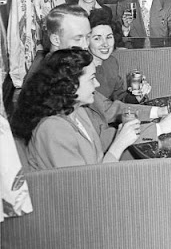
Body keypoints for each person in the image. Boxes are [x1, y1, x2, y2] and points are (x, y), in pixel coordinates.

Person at [25, 4, 171, 143]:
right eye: (79, 38)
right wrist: (158, 126)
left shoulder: (69, 66)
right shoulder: (53, 75)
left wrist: (156, 112)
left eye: (87, 37)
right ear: (55, 40)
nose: (85, 46)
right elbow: (104, 118)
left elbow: (107, 112)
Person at [12, 49, 141, 170]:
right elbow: (83, 183)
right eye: (92, 79)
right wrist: (118, 145)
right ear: (71, 85)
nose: (97, 84)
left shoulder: (79, 112)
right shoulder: (53, 129)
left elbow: (97, 162)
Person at [88, 9, 148, 103]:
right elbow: (102, 107)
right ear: (86, 41)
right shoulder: (82, 69)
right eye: (97, 39)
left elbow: (120, 97)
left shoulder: (111, 62)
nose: (105, 44)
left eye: (109, 37)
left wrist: (138, 95)